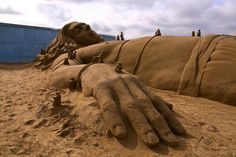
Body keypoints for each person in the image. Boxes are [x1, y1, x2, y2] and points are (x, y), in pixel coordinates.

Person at [42, 21, 187, 147]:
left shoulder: (104, 44)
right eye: (78, 29)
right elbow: (59, 70)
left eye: (85, 25)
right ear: (68, 40)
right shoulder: (75, 52)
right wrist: (93, 70)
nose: (86, 26)